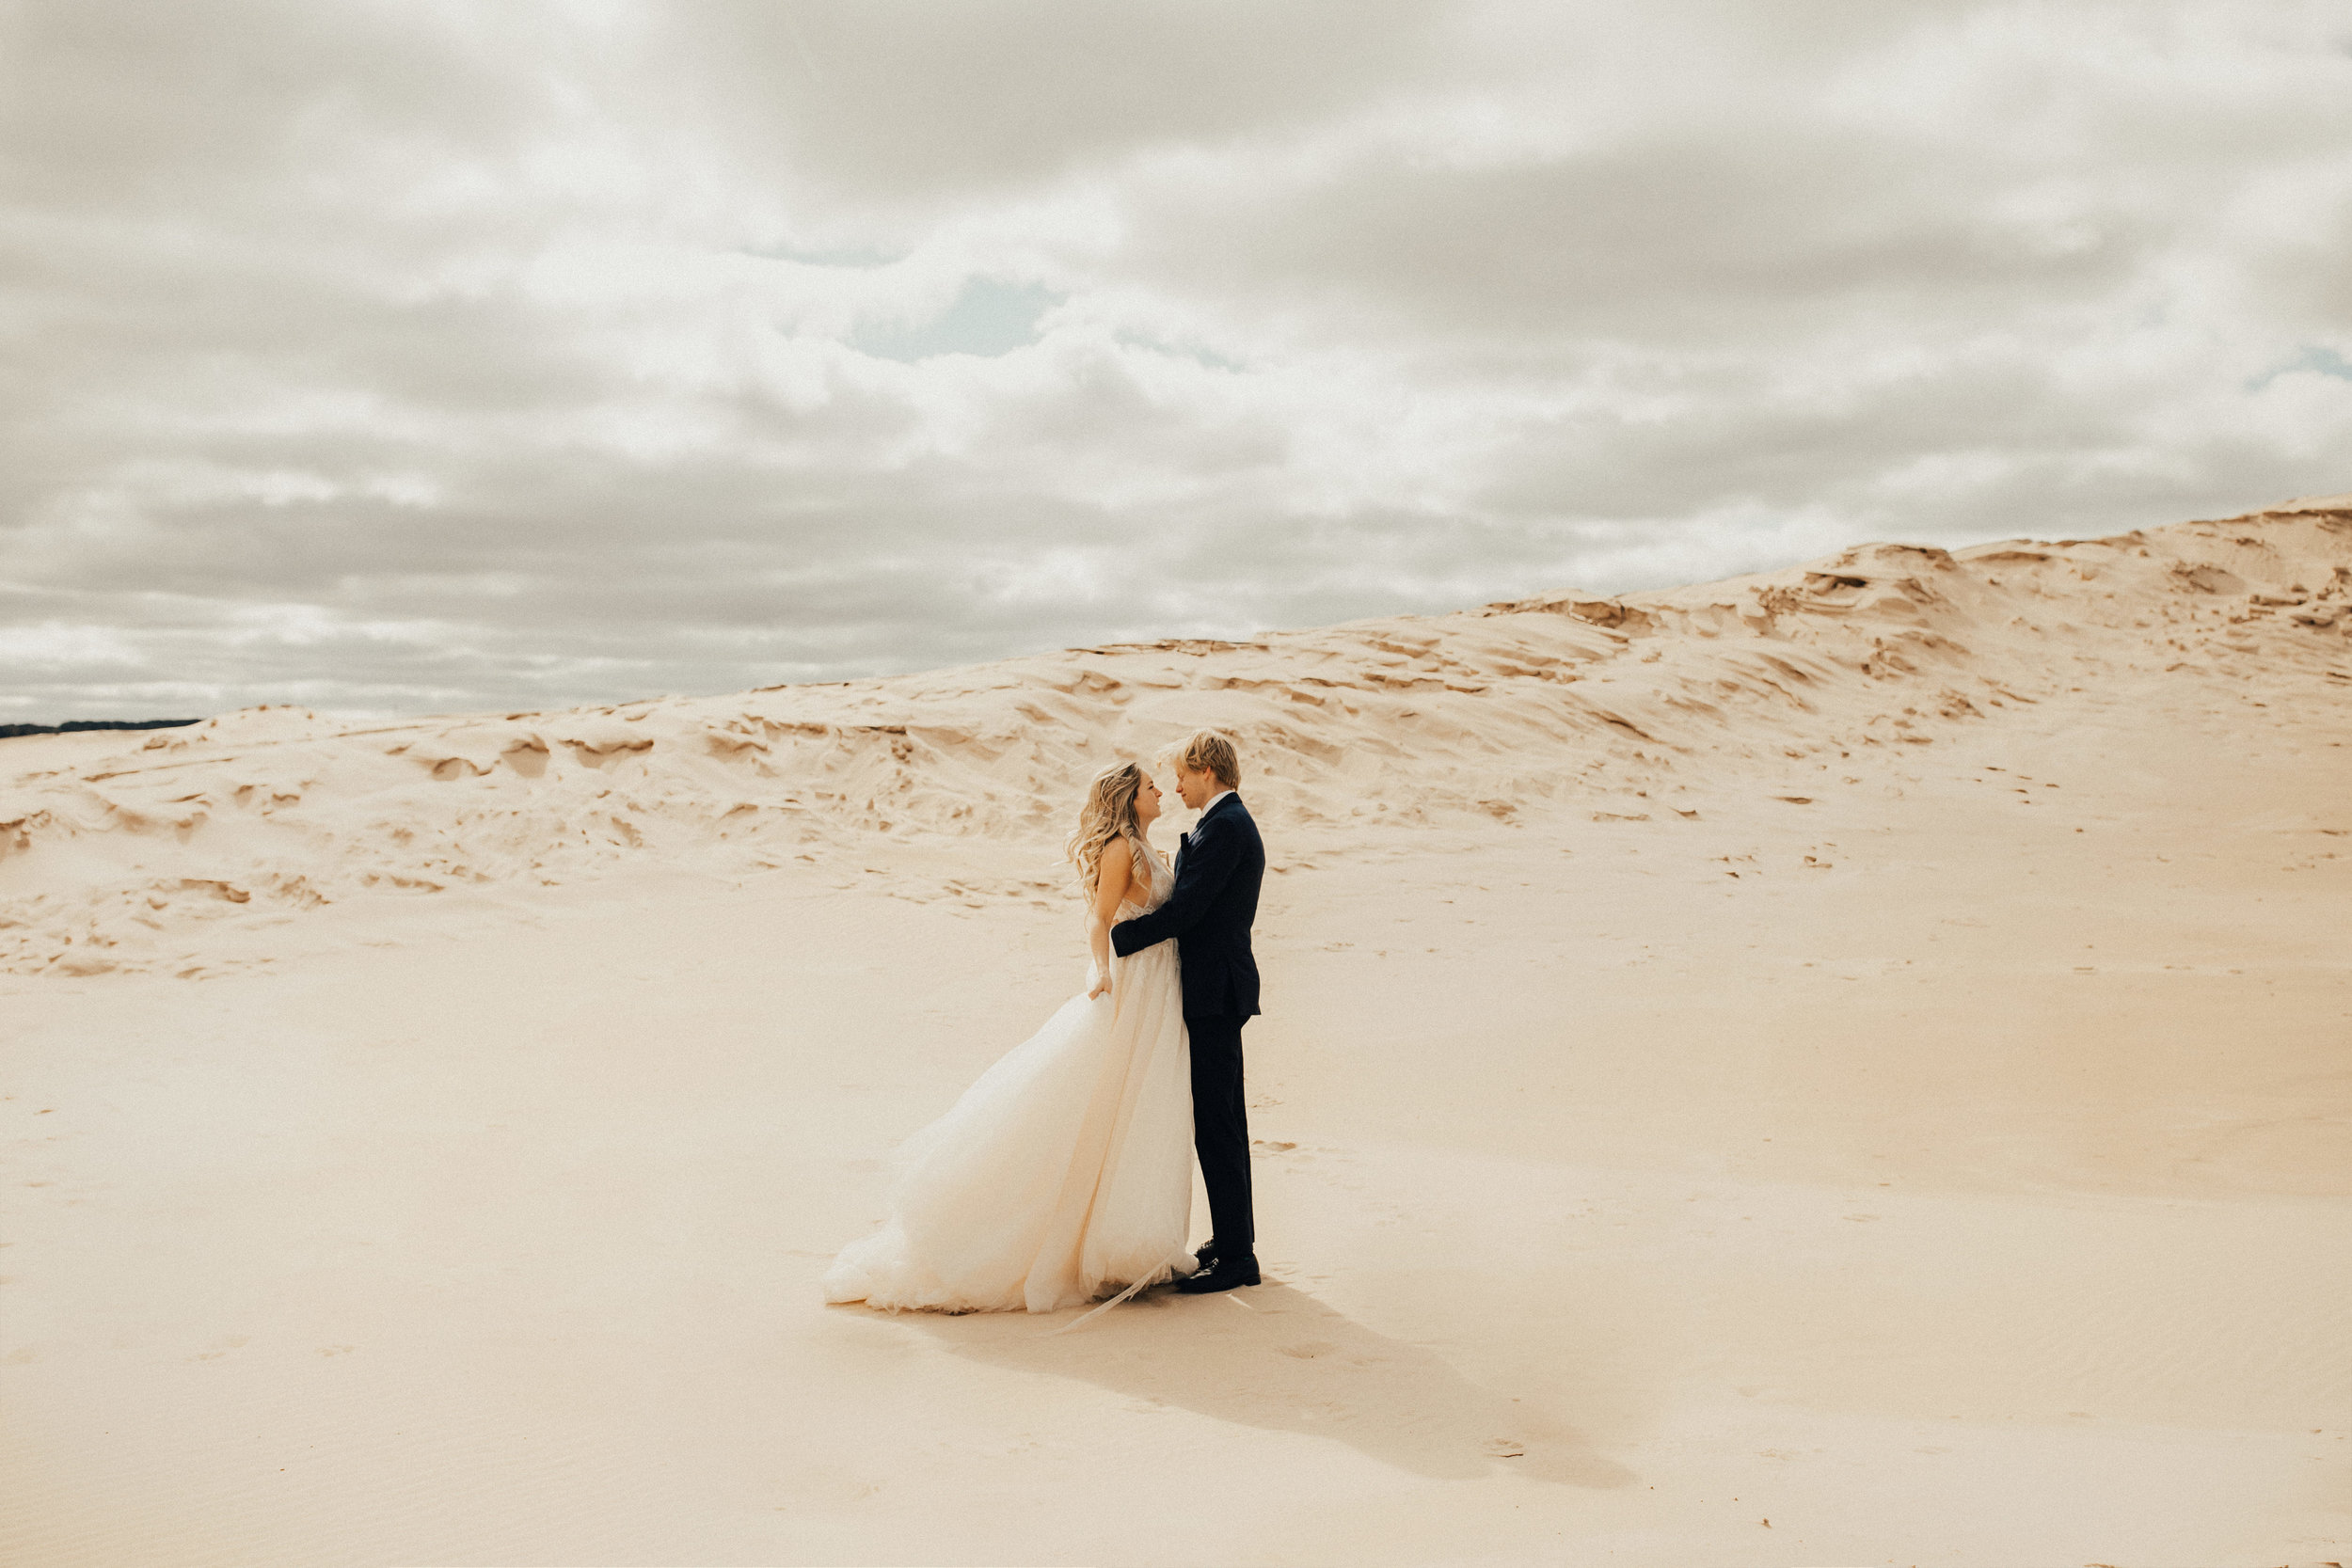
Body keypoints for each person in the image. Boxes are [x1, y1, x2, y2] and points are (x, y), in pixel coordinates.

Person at [822, 761, 1197, 1314]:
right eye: (1148, 786)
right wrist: (1100, 971)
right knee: (1103, 1104)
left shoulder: (1148, 846)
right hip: (1134, 983)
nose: (1160, 790)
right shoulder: (1121, 847)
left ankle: (1128, 1241)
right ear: (1127, 798)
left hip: (1159, 986)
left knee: (1140, 1108)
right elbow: (1100, 919)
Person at [1111, 729, 1265, 1294]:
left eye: (1182, 774)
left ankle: (1236, 1258)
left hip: (1214, 992)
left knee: (1217, 1125)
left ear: (1207, 772)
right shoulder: (1222, 823)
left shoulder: (1226, 827)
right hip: (1212, 989)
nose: (1175, 787)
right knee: (1223, 1120)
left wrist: (1122, 939)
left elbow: (1190, 910)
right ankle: (1232, 1242)